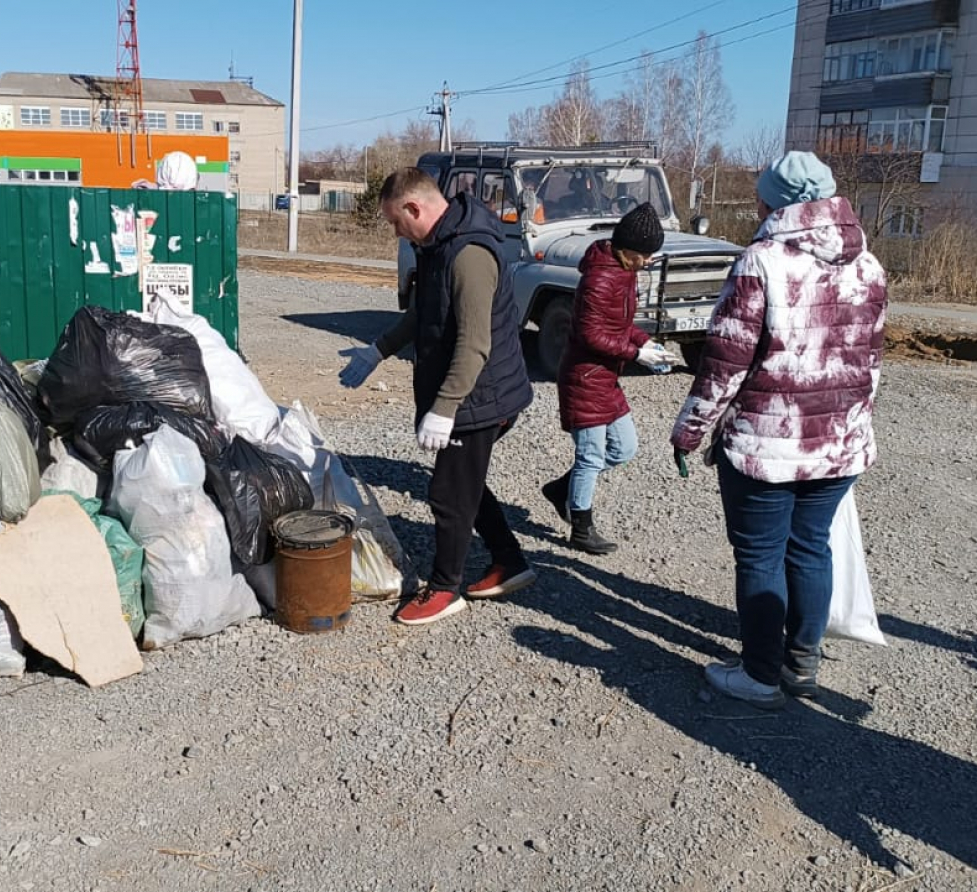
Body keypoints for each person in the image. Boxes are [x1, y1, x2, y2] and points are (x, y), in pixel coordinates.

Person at [669, 150, 887, 709]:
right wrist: (849, 427)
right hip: (839, 446)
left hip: (767, 447)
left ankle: (761, 676)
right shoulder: (869, 265)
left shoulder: (761, 261)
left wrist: (690, 430)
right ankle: (801, 665)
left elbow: (724, 364)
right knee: (811, 547)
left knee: (761, 557)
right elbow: (872, 366)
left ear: (774, 202)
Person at [339, 167, 535, 626]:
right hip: (468, 391)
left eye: (395, 222)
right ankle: (510, 561)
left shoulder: (467, 253)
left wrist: (444, 409)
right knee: (464, 483)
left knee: (447, 494)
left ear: (415, 208)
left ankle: (446, 589)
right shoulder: (438, 245)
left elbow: (474, 343)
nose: (396, 232)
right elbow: (426, 314)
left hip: (479, 396)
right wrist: (378, 351)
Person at [540, 202, 676, 554]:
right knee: (590, 456)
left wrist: (647, 342)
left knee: (624, 448)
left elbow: (621, 326)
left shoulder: (624, 271)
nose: (647, 262)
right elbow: (590, 335)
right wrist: (635, 354)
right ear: (625, 248)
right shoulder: (599, 279)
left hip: (605, 378)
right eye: (643, 255)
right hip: (584, 378)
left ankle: (562, 490)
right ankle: (581, 528)